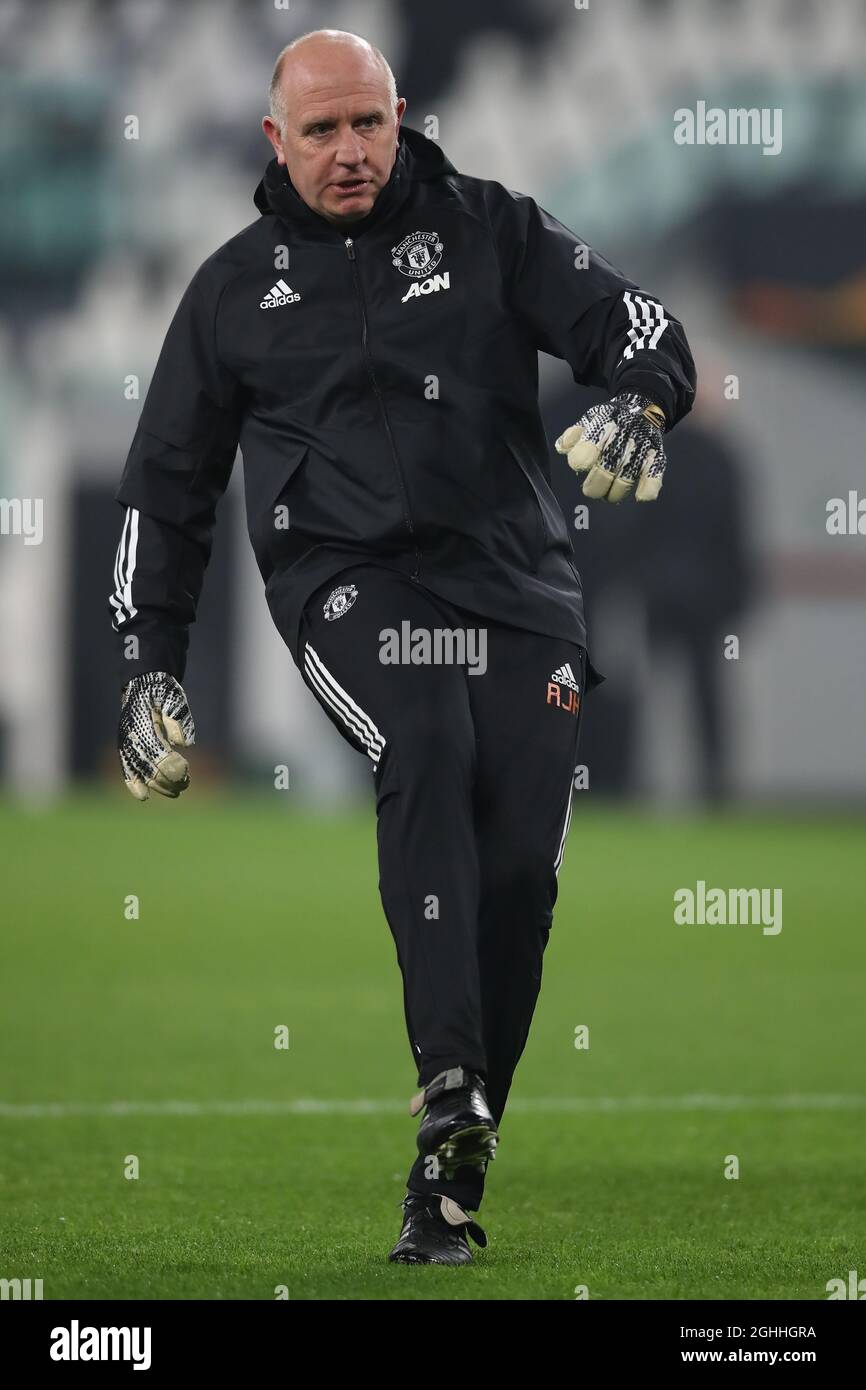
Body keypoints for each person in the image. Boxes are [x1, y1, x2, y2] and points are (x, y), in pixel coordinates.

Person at [108, 28, 696, 1265]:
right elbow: (165, 482)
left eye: (366, 123)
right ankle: (445, 1083)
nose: (349, 151)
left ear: (401, 115)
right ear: (275, 141)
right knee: (422, 737)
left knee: (521, 873)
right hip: (347, 582)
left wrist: (643, 397)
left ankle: (453, 1161)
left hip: (520, 586)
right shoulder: (228, 290)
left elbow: (627, 317)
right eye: (319, 130)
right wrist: (149, 655)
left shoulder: (492, 227)